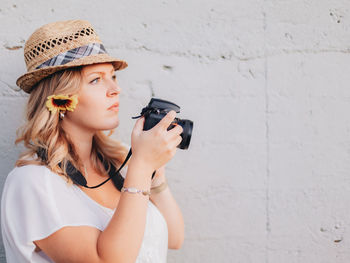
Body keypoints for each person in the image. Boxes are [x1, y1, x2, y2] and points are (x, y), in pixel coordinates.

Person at [1, 19, 185, 263]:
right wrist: (140, 167)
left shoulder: (115, 166)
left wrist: (154, 173)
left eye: (113, 76)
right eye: (96, 80)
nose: (115, 89)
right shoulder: (33, 182)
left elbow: (174, 237)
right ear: (60, 99)